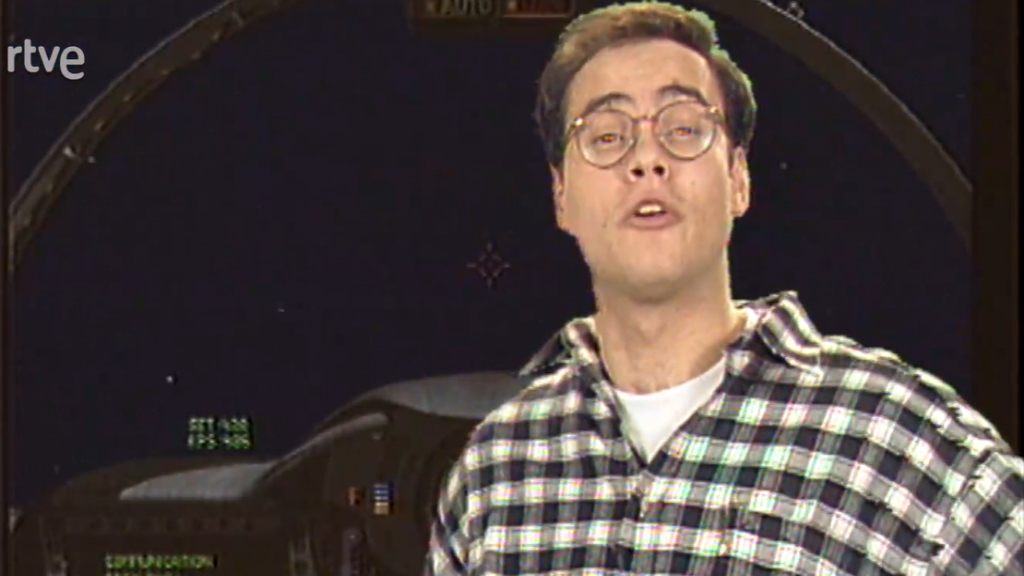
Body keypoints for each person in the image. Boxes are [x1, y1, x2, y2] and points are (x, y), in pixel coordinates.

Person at [424, 2, 1024, 575]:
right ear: (561, 196)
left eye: (683, 128)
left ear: (739, 179)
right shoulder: (496, 468)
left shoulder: (893, 434)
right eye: (606, 137)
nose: (646, 160)